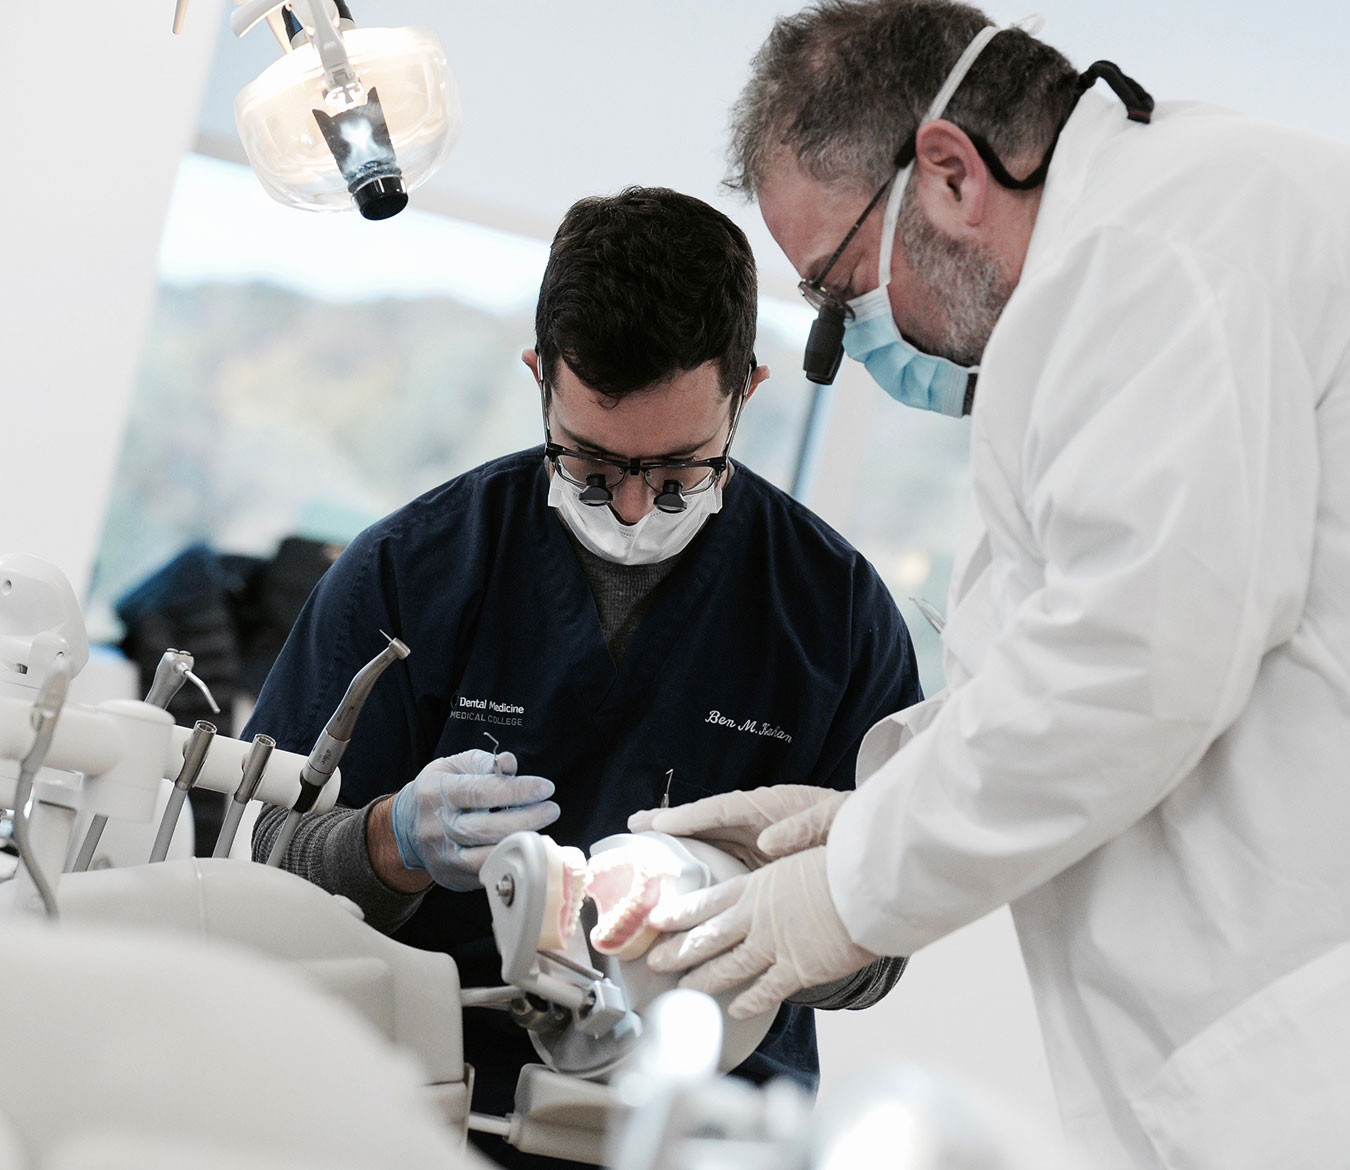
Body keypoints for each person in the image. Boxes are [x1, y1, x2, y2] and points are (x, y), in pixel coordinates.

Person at [632, 5, 1350, 1170]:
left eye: (841, 288)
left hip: (1302, 1024)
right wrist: (861, 816)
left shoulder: (1159, 252)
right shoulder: (1120, 262)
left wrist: (844, 895)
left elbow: (1131, 666)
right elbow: (1053, 652)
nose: (847, 340)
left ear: (952, 172)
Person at [244, 186, 921, 1169]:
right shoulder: (410, 572)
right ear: (539, 376)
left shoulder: (837, 619)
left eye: (680, 472)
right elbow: (260, 863)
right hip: (422, 1111)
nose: (634, 508)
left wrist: (752, 912)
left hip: (697, 1130)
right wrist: (393, 841)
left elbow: (883, 949)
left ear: (748, 391)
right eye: (593, 465)